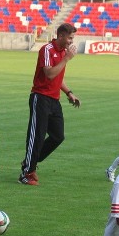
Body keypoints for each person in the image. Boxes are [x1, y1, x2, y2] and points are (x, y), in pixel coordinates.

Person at [19, 23, 81, 186]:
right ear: (60, 36)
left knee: (58, 136)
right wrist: (67, 59)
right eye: (69, 38)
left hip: (54, 99)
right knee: (37, 136)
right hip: (40, 97)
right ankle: (26, 174)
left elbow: (58, 77)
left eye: (72, 38)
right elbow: (50, 74)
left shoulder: (62, 52)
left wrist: (69, 92)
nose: (71, 41)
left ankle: (29, 163)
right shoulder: (47, 50)